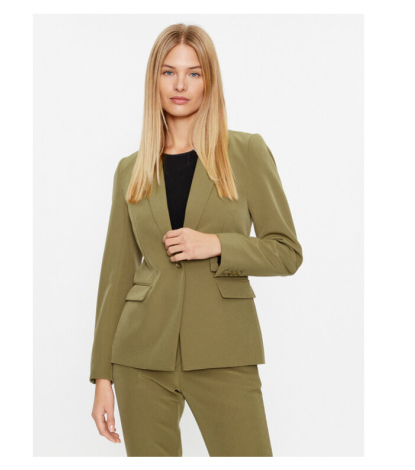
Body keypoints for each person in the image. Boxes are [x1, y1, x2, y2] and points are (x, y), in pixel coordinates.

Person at [90, 23, 303, 457]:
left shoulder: (246, 152)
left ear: (210, 80)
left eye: (194, 73)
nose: (180, 85)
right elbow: (116, 275)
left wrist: (219, 244)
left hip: (224, 348)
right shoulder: (130, 170)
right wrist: (102, 378)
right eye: (169, 72)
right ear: (154, 80)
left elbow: (287, 252)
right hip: (141, 356)